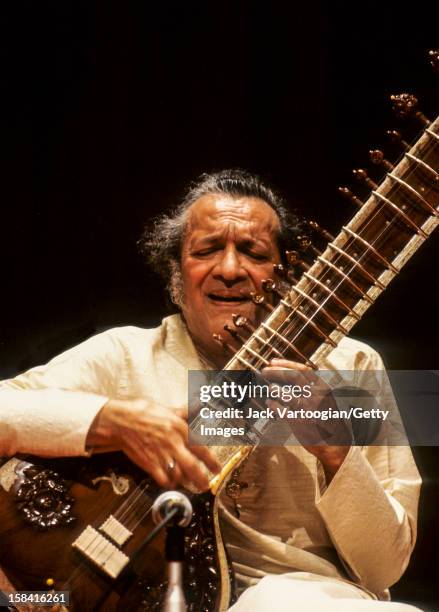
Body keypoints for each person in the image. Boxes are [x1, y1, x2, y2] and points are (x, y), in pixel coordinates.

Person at [0, 169, 421, 611]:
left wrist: (338, 452)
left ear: (285, 272)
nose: (230, 269)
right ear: (176, 274)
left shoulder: (352, 367)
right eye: (207, 250)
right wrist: (109, 420)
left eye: (254, 253)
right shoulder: (123, 357)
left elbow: (386, 568)